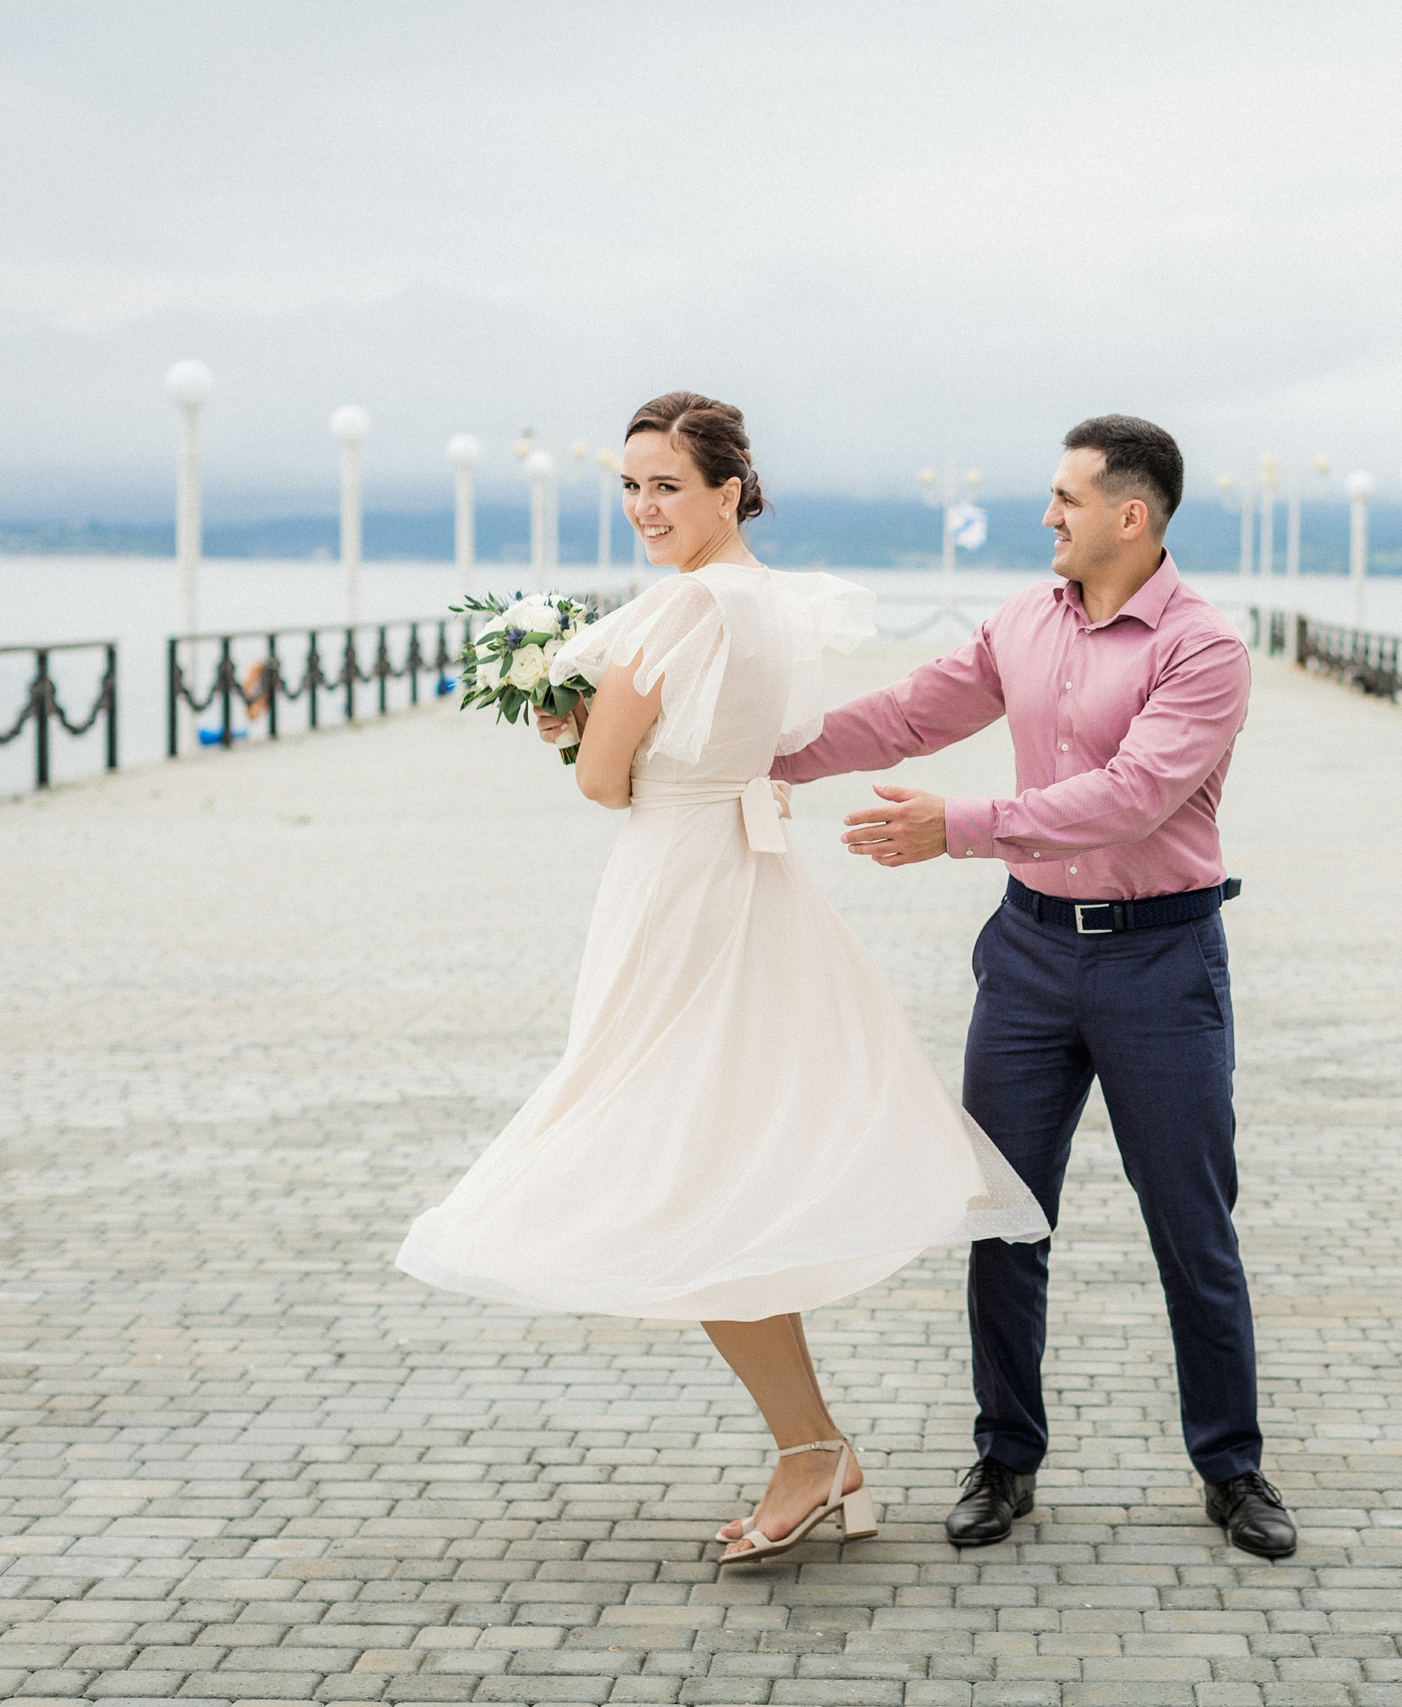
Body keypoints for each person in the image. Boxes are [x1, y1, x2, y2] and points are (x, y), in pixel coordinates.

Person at [396, 391, 1050, 1565]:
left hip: (681, 883)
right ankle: (814, 1447)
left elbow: (605, 781)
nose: (647, 508)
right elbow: (740, 740)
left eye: (668, 486)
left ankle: (811, 1450)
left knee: (689, 1165)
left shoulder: (681, 608)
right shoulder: (769, 601)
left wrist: (572, 728)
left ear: (728, 489)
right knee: (716, 1149)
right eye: (632, 487)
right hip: (749, 882)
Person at [771, 415, 1297, 1560]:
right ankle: (1004, 1458)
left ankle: (1233, 1468)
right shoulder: (1025, 617)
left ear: (1131, 516)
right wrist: (758, 750)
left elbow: (1134, 796)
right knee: (1002, 1217)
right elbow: (910, 712)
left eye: (1065, 498)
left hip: (1162, 962)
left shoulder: (1204, 649)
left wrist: (956, 827)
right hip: (1028, 956)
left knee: (1190, 1229)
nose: (1046, 516)